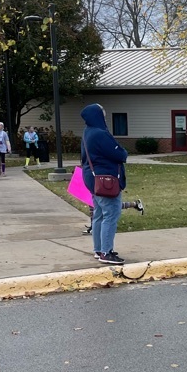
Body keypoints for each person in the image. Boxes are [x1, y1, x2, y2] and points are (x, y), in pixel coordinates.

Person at [81, 103, 128, 264]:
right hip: (106, 180)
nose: (105, 115)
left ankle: (99, 249)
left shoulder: (88, 133)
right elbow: (119, 154)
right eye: (102, 113)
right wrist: (123, 152)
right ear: (97, 115)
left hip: (92, 179)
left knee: (99, 215)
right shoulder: (100, 134)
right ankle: (106, 253)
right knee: (111, 214)